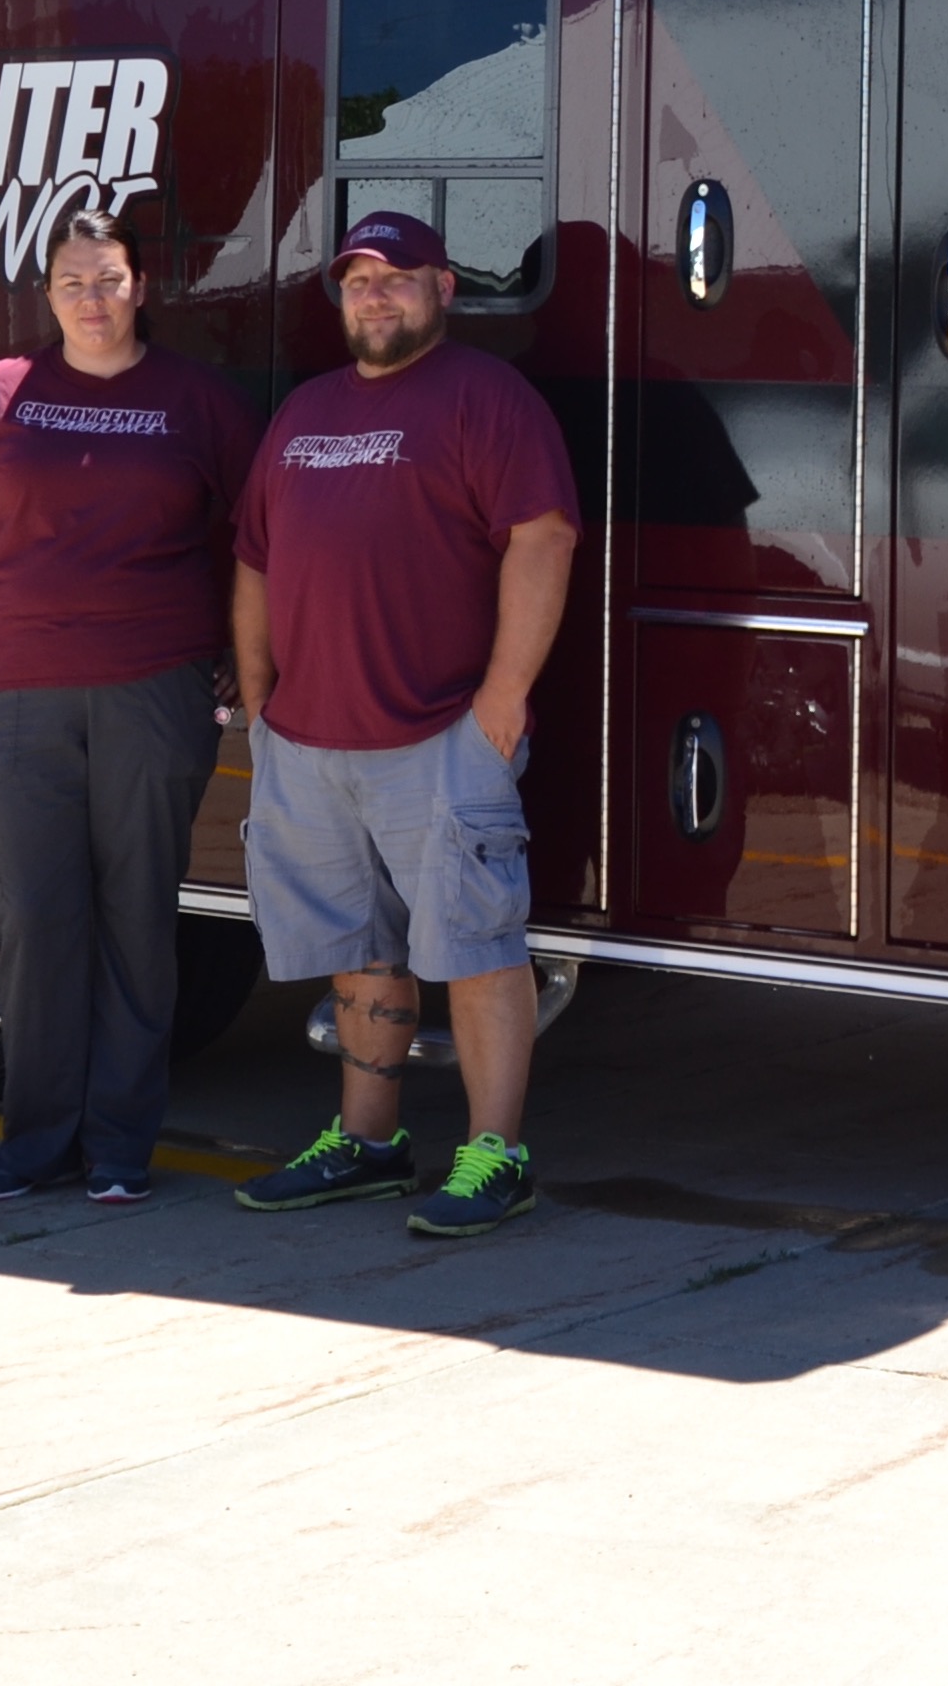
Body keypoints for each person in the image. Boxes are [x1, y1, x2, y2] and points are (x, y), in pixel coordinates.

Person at [0, 207, 261, 1207]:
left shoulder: (199, 403)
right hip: (18, 701)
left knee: (137, 919)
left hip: (157, 692)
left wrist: (242, 651)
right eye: (72, 283)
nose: (93, 300)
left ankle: (121, 1147)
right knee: (35, 921)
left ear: (142, 287)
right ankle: (35, 1144)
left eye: (109, 279)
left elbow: (265, 537)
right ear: (47, 296)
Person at [229, 209, 581, 1237]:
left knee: (476, 944)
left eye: (395, 277)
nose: (374, 295)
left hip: (440, 735)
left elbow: (544, 540)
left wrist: (502, 700)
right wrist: (259, 695)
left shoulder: (486, 398)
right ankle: (369, 1144)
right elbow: (254, 557)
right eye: (357, 280)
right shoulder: (305, 411)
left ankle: (497, 1154)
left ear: (443, 289)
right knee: (361, 948)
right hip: (309, 738)